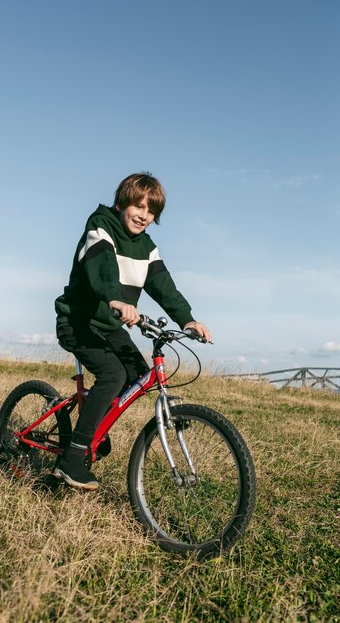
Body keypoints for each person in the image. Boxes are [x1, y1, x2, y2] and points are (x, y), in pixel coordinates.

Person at [54, 172, 211, 490]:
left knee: (138, 374)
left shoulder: (147, 247)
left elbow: (163, 286)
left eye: (151, 211)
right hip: (78, 322)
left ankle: (91, 427)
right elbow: (103, 265)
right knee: (113, 375)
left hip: (110, 326)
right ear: (122, 202)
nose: (144, 215)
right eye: (138, 206)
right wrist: (114, 297)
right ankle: (72, 458)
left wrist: (188, 320)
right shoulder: (100, 225)